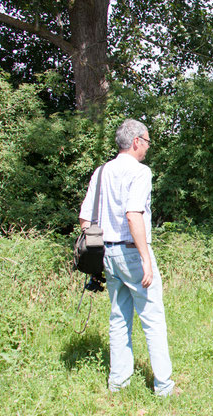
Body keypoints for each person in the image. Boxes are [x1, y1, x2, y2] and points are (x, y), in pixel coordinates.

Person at [79, 119, 177, 396]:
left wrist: (101, 251)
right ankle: (164, 386)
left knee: (118, 318)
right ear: (136, 142)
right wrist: (145, 257)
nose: (147, 148)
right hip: (133, 252)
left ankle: (118, 383)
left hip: (107, 254)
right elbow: (134, 214)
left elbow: (85, 219)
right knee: (153, 318)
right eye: (146, 142)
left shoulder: (101, 172)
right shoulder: (140, 172)